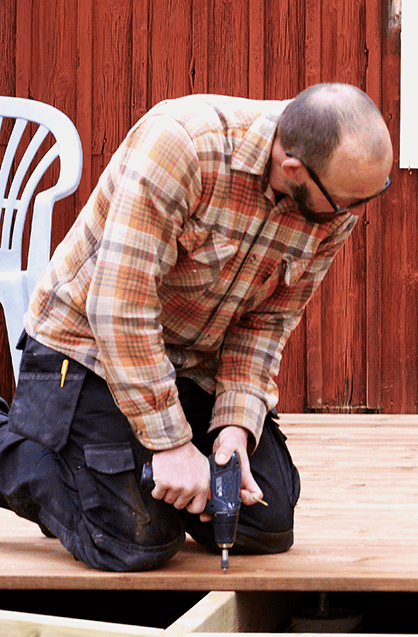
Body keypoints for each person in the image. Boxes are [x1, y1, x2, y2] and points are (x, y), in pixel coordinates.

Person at [0, 84, 393, 571]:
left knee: (261, 523)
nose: (353, 217)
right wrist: (171, 445)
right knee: (136, 540)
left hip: (189, 362)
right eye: (346, 203)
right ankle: (24, 445)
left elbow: (267, 323)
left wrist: (233, 426)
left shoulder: (332, 201)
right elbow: (120, 308)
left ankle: (120, 464)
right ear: (293, 170)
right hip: (87, 350)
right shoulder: (184, 146)